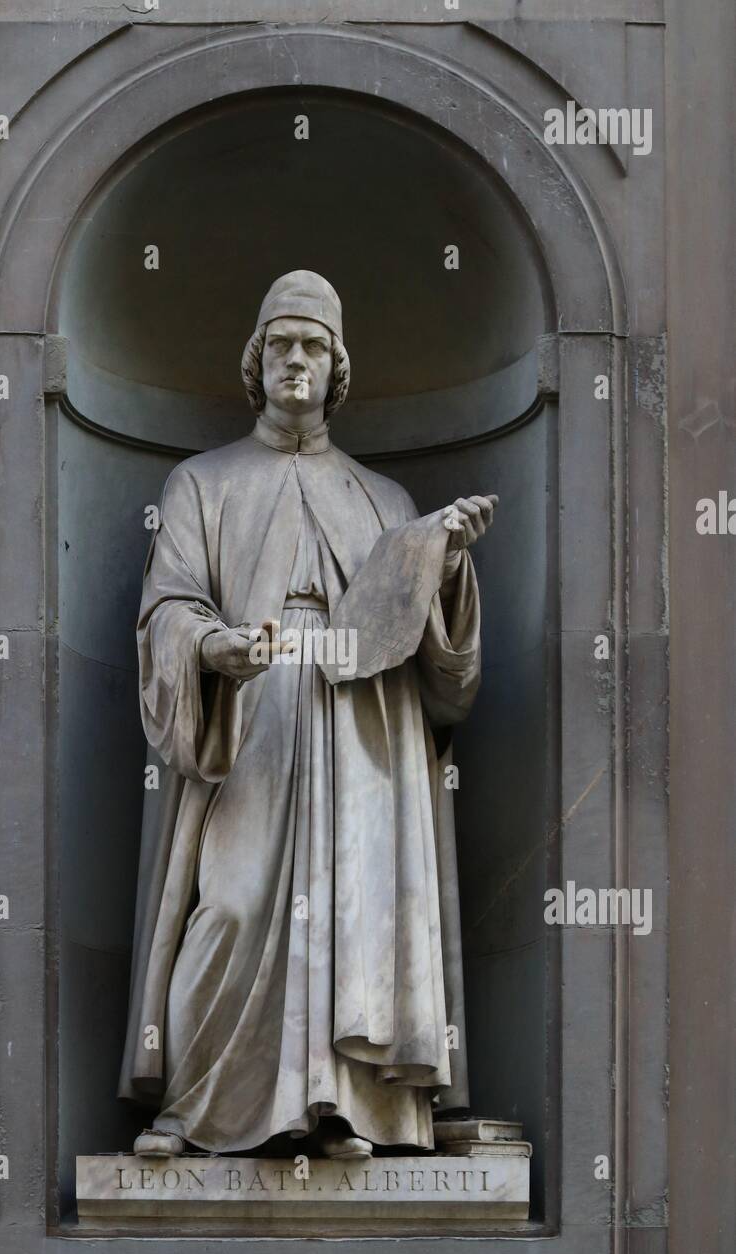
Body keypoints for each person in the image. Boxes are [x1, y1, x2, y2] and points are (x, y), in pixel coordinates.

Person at [117, 271, 497, 1159]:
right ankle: (196, 1100)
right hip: (254, 714)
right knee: (237, 903)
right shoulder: (201, 483)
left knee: (360, 908)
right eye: (282, 343)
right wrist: (214, 650)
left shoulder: (385, 500)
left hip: (364, 729)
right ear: (257, 362)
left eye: (315, 345)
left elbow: (436, 667)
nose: (298, 359)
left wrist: (443, 566)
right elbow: (165, 607)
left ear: (337, 367)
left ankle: (346, 1107)